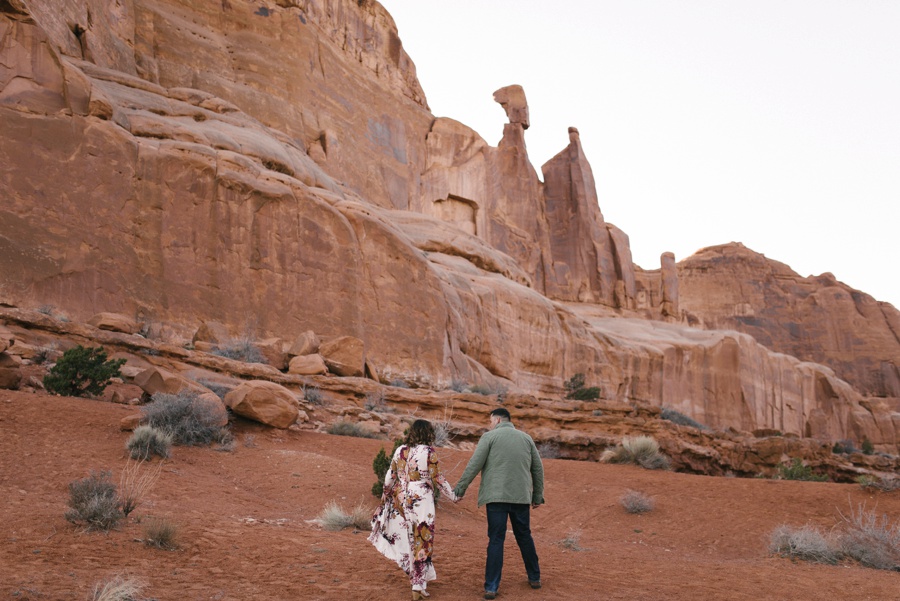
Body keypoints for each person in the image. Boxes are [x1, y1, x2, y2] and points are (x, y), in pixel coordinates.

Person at [453, 407, 544, 600]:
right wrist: (537, 496)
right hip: (520, 497)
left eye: (490, 421)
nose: (490, 425)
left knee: (496, 539)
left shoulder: (489, 437)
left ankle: (491, 587)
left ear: (497, 420)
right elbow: (537, 468)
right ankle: (535, 577)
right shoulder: (526, 438)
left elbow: (474, 464)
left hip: (495, 498)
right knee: (524, 536)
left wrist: (460, 489)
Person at [369, 419, 459, 600]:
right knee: (423, 538)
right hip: (422, 500)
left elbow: (390, 475)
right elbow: (438, 479)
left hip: (402, 498)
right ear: (428, 433)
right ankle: (417, 585)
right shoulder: (429, 452)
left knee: (408, 538)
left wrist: (385, 495)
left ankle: (418, 582)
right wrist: (454, 496)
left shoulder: (400, 450)